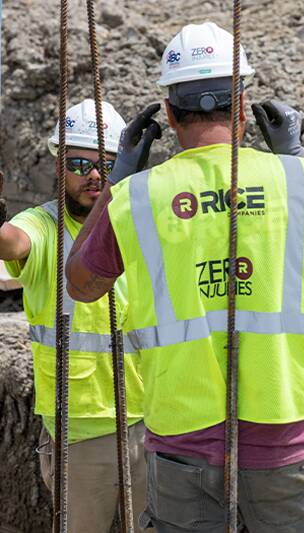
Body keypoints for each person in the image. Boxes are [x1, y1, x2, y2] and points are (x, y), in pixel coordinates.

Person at [64, 22, 304, 532]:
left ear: (168, 114)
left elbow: (81, 284)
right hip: (285, 434)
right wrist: (297, 159)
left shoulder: (137, 197)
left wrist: (118, 180)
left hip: (181, 437)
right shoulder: (299, 180)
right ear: (243, 105)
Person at [0, 99, 147, 532]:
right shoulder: (44, 225)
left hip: (154, 419)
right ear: (59, 165)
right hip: (80, 431)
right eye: (80, 162)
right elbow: (12, 243)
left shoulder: (141, 222)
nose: (94, 174)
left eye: (107, 163)